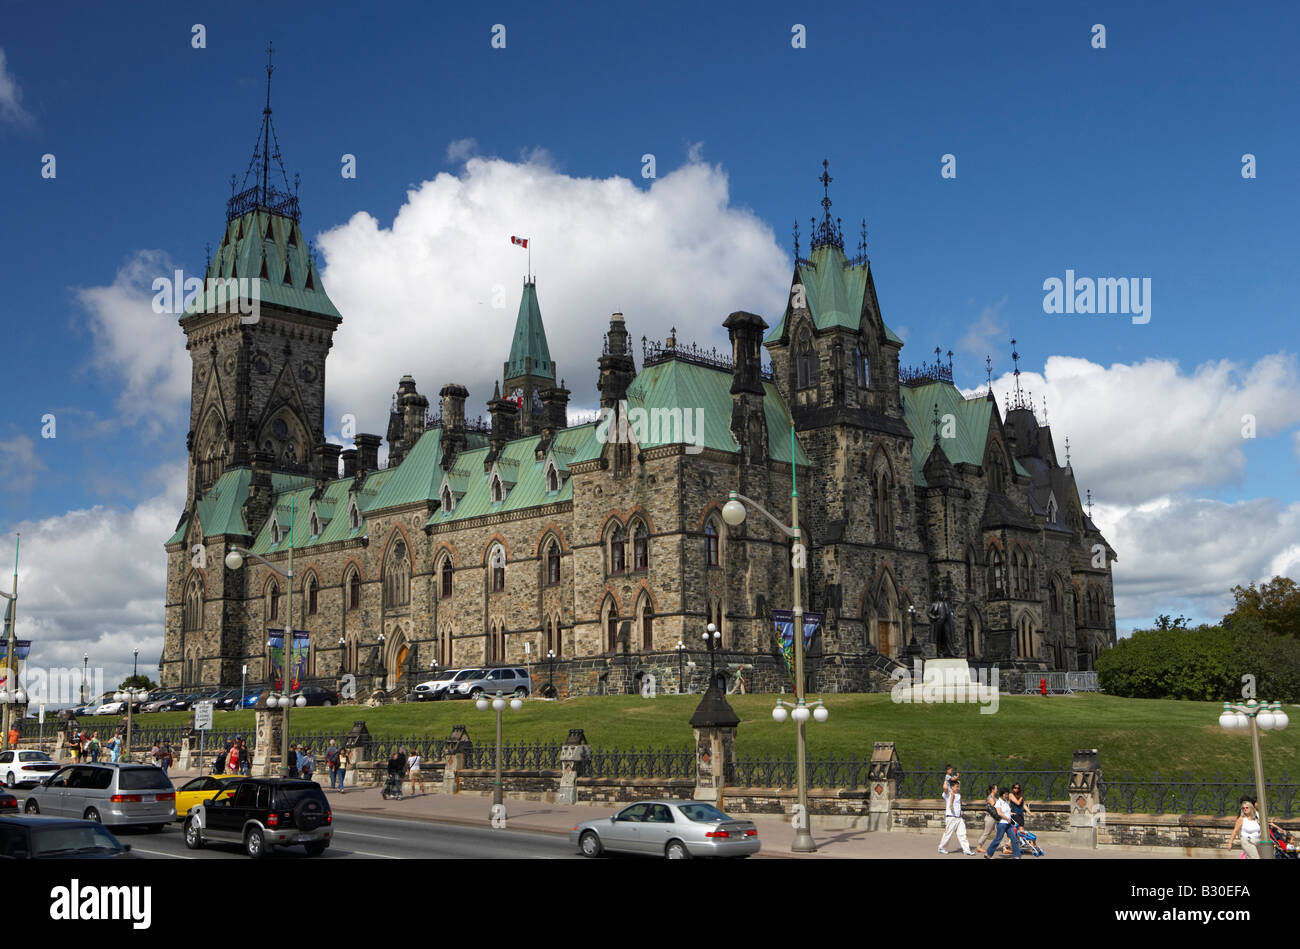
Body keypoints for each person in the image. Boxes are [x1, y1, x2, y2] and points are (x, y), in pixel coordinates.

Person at [937, 778, 975, 855]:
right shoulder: (948, 794)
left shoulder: (958, 794)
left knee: (962, 834)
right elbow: (945, 787)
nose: (958, 788)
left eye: (958, 786)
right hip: (951, 817)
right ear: (952, 787)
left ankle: (966, 849)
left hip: (959, 817)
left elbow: (959, 802)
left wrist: (963, 803)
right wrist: (947, 779)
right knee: (948, 834)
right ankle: (941, 847)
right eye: (956, 786)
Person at [984, 787, 1021, 859]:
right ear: (1002, 794)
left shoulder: (1006, 802)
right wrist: (1007, 818)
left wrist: (1011, 814)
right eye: (1005, 794)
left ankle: (1017, 855)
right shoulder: (998, 802)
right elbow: (999, 813)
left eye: (1007, 794)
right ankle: (988, 854)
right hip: (1001, 823)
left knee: (1014, 838)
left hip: (1008, 824)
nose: (1007, 795)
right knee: (998, 839)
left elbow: (1007, 811)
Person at [1004, 783, 1031, 855]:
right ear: (1012, 788)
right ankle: (1008, 846)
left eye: (1018, 788)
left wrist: (1030, 813)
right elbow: (1018, 803)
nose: (1016, 789)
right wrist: (1021, 797)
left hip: (1020, 815)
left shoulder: (1020, 795)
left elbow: (1023, 805)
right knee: (1016, 831)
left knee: (1021, 832)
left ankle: (1020, 846)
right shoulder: (1011, 795)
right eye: (1015, 788)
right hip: (1015, 815)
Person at [975, 784, 1000, 853]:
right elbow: (995, 806)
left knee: (1000, 832)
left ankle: (1004, 848)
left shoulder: (995, 797)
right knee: (987, 833)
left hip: (996, 817)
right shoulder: (990, 798)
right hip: (990, 818)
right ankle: (979, 847)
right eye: (996, 789)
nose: (997, 790)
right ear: (992, 790)